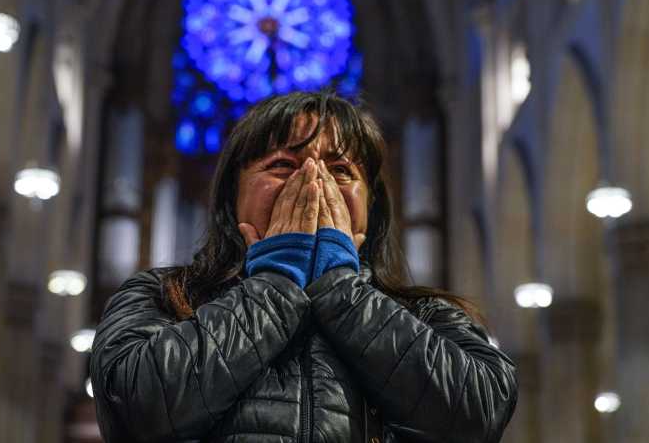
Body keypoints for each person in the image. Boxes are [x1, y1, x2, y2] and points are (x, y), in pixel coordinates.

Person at [90, 91, 518, 442]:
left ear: (370, 206)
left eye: (341, 169)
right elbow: (134, 407)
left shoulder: (426, 316)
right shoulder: (161, 296)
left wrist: (340, 289)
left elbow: (478, 415)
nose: (315, 181)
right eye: (282, 165)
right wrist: (275, 281)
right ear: (230, 198)